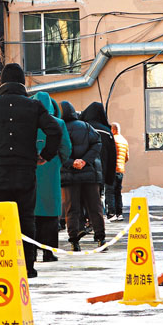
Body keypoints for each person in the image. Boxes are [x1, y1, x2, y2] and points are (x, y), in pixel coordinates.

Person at [0, 64, 62, 278]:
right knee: (26, 217)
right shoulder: (34, 106)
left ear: (2, 84)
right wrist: (45, 155)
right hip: (25, 168)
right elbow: (54, 130)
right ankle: (28, 266)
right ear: (23, 83)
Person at [60, 101, 104, 251]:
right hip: (89, 174)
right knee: (95, 207)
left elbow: (58, 151)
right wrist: (85, 160)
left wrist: (72, 162)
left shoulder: (60, 128)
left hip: (68, 175)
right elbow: (97, 142)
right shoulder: (86, 126)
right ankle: (100, 239)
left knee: (71, 209)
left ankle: (74, 241)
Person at [33, 92, 72, 262]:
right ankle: (48, 253)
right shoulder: (59, 123)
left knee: (31, 214)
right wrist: (56, 163)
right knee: (50, 213)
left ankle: (30, 253)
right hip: (51, 170)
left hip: (30, 171)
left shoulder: (28, 122)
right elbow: (66, 148)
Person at [80, 101, 116, 222]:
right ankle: (94, 221)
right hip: (101, 171)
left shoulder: (83, 127)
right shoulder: (107, 131)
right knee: (96, 196)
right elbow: (113, 155)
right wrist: (110, 178)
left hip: (83, 168)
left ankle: (83, 219)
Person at [108, 122, 129, 221]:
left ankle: (111, 213)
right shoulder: (124, 141)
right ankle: (119, 213)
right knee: (118, 192)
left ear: (113, 130)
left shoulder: (112, 140)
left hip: (112, 169)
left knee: (110, 191)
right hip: (120, 169)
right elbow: (127, 157)